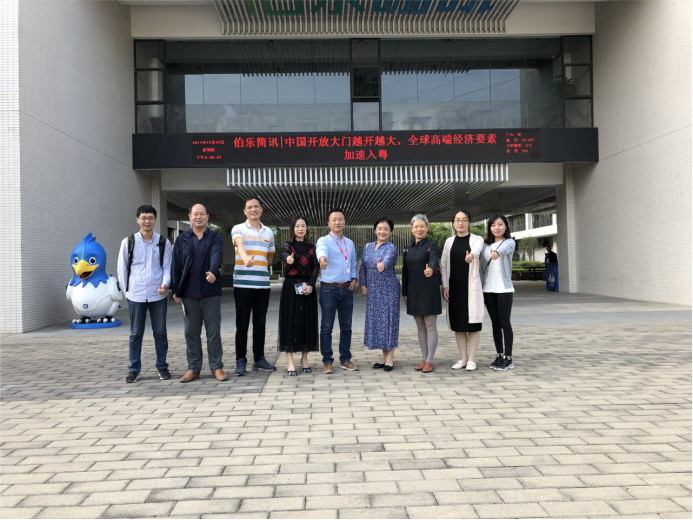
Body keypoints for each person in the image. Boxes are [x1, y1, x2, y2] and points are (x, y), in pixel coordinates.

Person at [170, 203, 227, 383]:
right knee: (191, 332)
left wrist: (213, 272)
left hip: (210, 292)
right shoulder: (182, 239)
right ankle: (193, 369)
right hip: (188, 293)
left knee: (213, 332)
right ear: (190, 217)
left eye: (202, 214)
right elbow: (175, 265)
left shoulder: (215, 237)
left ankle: (216, 367)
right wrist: (176, 290)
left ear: (207, 217)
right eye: (195, 214)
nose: (199, 217)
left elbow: (216, 257)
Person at [117, 205, 173, 383]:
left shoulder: (163, 242)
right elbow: (122, 269)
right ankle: (134, 369)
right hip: (136, 294)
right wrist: (127, 291)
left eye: (150, 218)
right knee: (135, 333)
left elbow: (167, 267)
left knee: (160, 332)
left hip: (158, 294)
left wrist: (165, 284)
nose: (147, 221)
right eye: (143, 217)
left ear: (155, 220)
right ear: (138, 219)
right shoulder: (128, 242)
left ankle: (162, 367)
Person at [231, 197, 277, 376]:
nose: (253, 209)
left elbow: (269, 258)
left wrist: (258, 264)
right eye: (249, 207)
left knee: (260, 324)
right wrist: (245, 259)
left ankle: (259, 359)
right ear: (245, 211)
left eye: (256, 206)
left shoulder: (269, 232)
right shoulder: (238, 229)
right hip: (242, 284)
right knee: (242, 325)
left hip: (262, 285)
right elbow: (239, 245)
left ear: (261, 209)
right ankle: (240, 360)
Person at [441, 210, 484, 372]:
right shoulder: (449, 241)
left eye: (464, 220)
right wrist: (445, 285)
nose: (461, 223)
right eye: (458, 220)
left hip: (471, 288)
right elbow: (444, 264)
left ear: (469, 223)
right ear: (453, 223)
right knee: (458, 324)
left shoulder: (476, 239)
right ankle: (463, 359)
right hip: (455, 288)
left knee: (473, 324)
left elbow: (478, 249)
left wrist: (471, 255)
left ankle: (472, 359)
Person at [316, 208, 358, 374]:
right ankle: (327, 361)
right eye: (334, 219)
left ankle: (345, 359)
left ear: (344, 222)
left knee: (346, 326)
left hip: (346, 289)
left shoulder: (350, 243)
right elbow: (321, 252)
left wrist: (353, 279)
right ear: (328, 223)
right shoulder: (323, 240)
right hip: (329, 289)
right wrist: (322, 260)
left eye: (340, 219)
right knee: (327, 326)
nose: (337, 222)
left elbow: (353, 263)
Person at [278, 216, 319, 376]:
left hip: (307, 287)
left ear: (306, 228)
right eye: (297, 226)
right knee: (290, 321)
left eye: (303, 226)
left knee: (305, 322)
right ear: (292, 228)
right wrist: (287, 258)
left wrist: (311, 284)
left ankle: (304, 359)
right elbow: (284, 254)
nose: (300, 229)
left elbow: (315, 267)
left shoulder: (311, 247)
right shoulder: (287, 245)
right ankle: (290, 361)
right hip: (291, 287)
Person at [402, 214, 442, 373]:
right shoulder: (407, 248)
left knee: (430, 325)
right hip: (413, 291)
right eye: (416, 226)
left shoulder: (432, 246)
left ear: (427, 228)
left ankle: (430, 360)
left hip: (429, 290)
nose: (419, 229)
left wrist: (431, 269)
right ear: (412, 229)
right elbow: (405, 272)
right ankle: (424, 358)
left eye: (422, 226)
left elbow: (434, 260)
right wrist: (405, 292)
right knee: (420, 326)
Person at [359, 216, 400, 371]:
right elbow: (362, 266)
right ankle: (384, 356)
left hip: (389, 289)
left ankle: (390, 358)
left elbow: (387, 261)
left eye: (386, 229)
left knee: (389, 322)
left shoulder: (391, 248)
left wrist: (382, 265)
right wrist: (363, 284)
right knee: (379, 324)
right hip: (373, 290)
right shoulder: (368, 247)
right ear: (375, 230)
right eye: (380, 228)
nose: (382, 231)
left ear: (390, 231)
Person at [480, 214, 517, 371]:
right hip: (488, 289)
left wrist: (497, 252)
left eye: (500, 224)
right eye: (493, 225)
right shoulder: (484, 246)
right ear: (490, 228)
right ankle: (499, 355)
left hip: (504, 289)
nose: (497, 227)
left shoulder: (509, 242)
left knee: (505, 323)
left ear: (505, 226)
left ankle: (508, 358)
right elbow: (482, 269)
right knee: (495, 324)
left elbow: (504, 249)